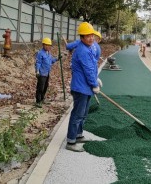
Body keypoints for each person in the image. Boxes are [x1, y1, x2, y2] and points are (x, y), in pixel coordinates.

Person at [66, 22, 102, 152]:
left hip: (86, 87)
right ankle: (71, 141)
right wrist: (94, 84)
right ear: (82, 38)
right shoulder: (82, 50)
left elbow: (92, 67)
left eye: (92, 35)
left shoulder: (89, 48)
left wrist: (96, 79)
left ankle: (78, 134)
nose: (91, 38)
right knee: (77, 114)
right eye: (88, 36)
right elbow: (87, 69)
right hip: (81, 87)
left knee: (84, 113)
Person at [35, 37, 59, 108]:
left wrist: (57, 59)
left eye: (49, 45)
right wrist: (37, 71)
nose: (49, 47)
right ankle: (38, 101)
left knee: (45, 86)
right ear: (44, 45)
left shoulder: (48, 53)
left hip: (47, 73)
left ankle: (42, 98)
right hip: (41, 73)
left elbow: (51, 60)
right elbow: (38, 63)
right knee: (40, 87)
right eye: (47, 45)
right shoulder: (40, 53)